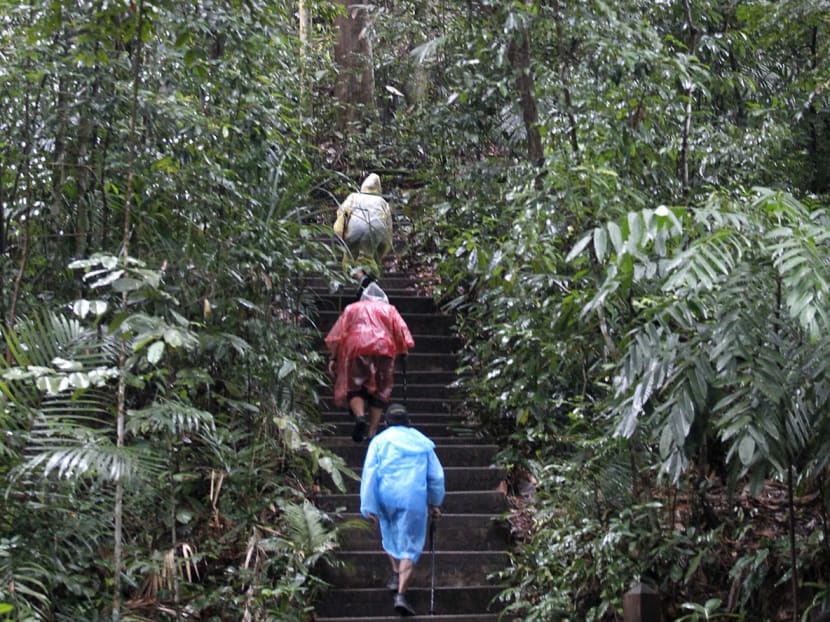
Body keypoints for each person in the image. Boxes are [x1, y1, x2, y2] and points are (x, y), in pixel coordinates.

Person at [359, 403, 445, 617]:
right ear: (408, 422)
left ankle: (396, 573)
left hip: (386, 496)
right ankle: (401, 594)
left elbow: (370, 473)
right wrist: (435, 502)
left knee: (389, 534)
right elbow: (436, 476)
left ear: (386, 422)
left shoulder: (379, 441)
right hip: (413, 498)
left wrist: (368, 504)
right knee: (410, 545)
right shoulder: (423, 443)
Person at [325, 283, 414, 442]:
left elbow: (338, 334)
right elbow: (401, 332)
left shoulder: (351, 309)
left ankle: (360, 417)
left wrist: (334, 357)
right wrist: (403, 351)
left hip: (356, 347)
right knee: (381, 390)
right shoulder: (390, 310)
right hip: (384, 347)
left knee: (354, 386)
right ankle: (372, 432)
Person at [333, 173, 393, 273]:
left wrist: (339, 233)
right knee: (370, 256)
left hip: (354, 230)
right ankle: (371, 275)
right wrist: (383, 251)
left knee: (350, 255)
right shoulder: (383, 202)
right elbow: (388, 229)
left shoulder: (353, 197)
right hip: (376, 231)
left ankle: (350, 275)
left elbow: (342, 214)